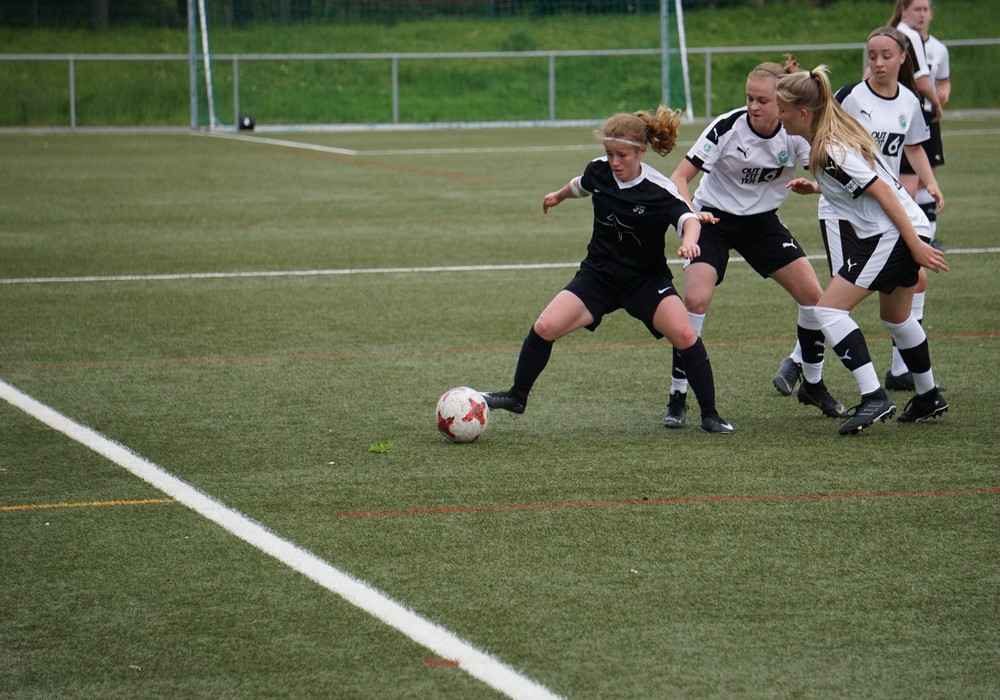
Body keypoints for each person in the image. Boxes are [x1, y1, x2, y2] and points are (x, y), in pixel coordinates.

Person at [480, 107, 734, 433]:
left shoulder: (658, 190)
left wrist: (690, 242)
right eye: (609, 154)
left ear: (641, 152)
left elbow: (688, 219)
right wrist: (557, 196)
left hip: (645, 280)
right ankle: (517, 396)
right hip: (598, 275)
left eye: (623, 156)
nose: (614, 162)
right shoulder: (600, 171)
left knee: (686, 335)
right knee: (544, 326)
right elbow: (581, 184)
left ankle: (710, 414)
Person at [664, 55, 844, 429]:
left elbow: (822, 173)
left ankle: (812, 385)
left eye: (762, 101)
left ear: (782, 105)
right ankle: (678, 395)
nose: (753, 107)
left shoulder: (794, 132)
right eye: (749, 98)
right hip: (712, 219)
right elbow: (679, 178)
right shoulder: (728, 127)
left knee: (814, 297)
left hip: (762, 225)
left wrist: (812, 186)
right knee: (695, 299)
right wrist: (692, 214)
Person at [776, 65, 949, 435]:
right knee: (896, 318)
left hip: (894, 234)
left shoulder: (829, 148)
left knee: (827, 310)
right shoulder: (830, 137)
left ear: (803, 113)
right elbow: (869, 183)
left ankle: (874, 396)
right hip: (902, 228)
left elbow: (884, 191)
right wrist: (819, 189)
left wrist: (916, 245)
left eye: (782, 110)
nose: (779, 116)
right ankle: (928, 395)